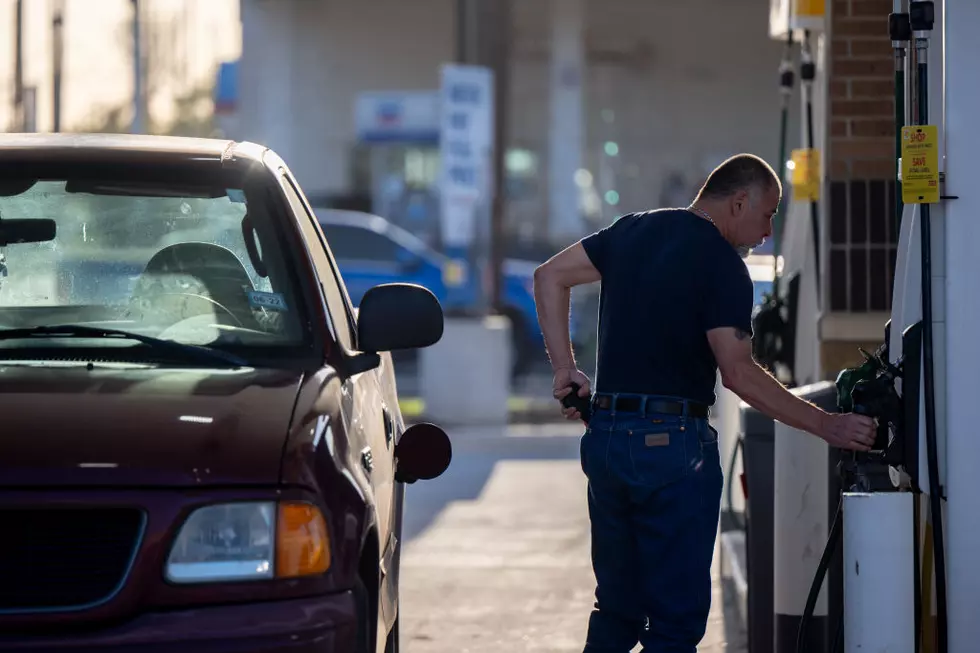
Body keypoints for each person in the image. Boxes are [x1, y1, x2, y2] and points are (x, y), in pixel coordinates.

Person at [532, 153, 876, 653]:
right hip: (671, 451)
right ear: (739, 202)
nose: (767, 230)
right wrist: (828, 426)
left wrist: (565, 369)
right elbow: (737, 373)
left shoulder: (630, 231)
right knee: (674, 624)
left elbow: (548, 277)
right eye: (768, 214)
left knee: (617, 612)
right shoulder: (721, 264)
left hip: (606, 440)